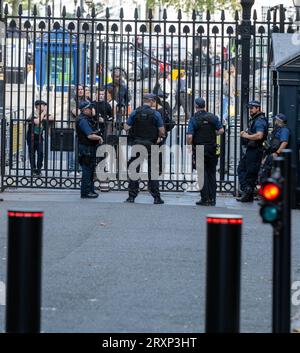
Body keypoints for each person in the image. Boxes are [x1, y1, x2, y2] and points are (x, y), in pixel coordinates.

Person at [124, 93, 165, 204]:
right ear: (151, 101)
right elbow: (162, 130)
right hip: (151, 144)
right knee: (153, 171)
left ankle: (131, 197)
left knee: (134, 170)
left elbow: (126, 127)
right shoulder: (155, 114)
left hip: (137, 143)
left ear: (144, 101)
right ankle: (156, 197)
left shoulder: (135, 112)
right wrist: (159, 136)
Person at [187, 98, 224, 206]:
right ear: (204, 105)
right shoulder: (212, 117)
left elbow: (189, 136)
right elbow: (221, 130)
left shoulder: (194, 119)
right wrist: (213, 135)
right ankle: (213, 199)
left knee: (202, 174)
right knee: (212, 173)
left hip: (199, 149)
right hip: (212, 148)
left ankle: (205, 199)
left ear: (196, 106)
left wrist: (190, 145)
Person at [237, 100, 268, 202]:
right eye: (249, 107)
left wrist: (246, 135)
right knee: (242, 169)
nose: (250, 109)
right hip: (251, 150)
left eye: (252, 107)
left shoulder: (259, 120)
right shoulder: (255, 119)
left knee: (250, 173)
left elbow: (259, 135)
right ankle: (248, 193)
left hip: (255, 150)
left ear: (258, 108)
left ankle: (248, 192)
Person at [76, 101, 103, 199]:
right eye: (91, 108)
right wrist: (99, 138)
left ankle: (90, 190)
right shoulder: (83, 120)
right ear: (86, 110)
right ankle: (86, 192)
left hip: (88, 148)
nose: (93, 110)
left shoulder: (86, 118)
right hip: (86, 148)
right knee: (87, 170)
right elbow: (90, 135)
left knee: (90, 170)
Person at [259, 113, 290, 183]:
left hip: (276, 155)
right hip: (271, 154)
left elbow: (284, 142)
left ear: (279, 121)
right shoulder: (277, 129)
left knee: (268, 172)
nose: (274, 121)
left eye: (276, 120)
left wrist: (277, 152)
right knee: (265, 171)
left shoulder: (284, 130)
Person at [26, 100, 54, 176]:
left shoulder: (44, 114)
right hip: (31, 136)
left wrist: (45, 116)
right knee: (32, 154)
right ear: (38, 106)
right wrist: (43, 115)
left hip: (39, 137)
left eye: (45, 105)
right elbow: (37, 122)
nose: (45, 107)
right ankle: (33, 169)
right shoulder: (33, 114)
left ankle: (39, 169)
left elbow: (52, 118)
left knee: (40, 153)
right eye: (43, 105)